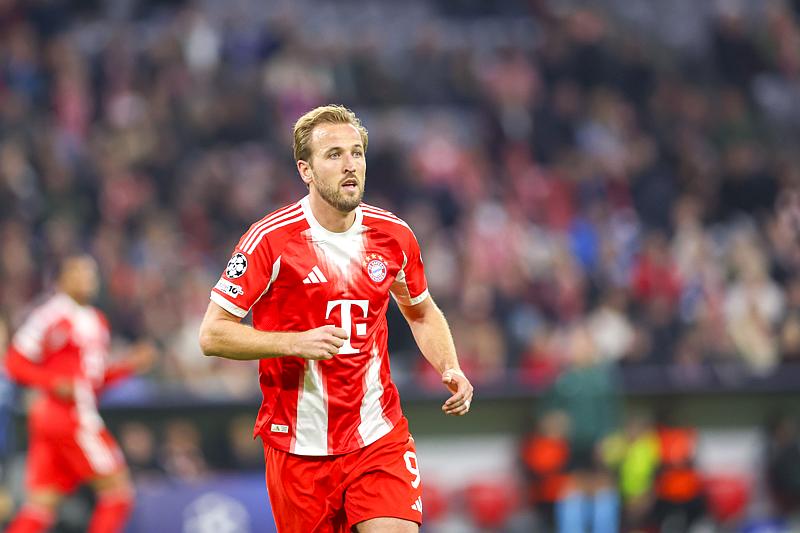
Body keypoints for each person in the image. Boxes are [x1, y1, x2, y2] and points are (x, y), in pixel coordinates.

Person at [198, 104, 473, 533]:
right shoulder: (270, 240)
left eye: (356, 153)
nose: (350, 165)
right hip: (298, 447)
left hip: (377, 435)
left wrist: (449, 365)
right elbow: (212, 334)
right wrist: (293, 342)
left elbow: (420, 310)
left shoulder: (394, 235)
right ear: (305, 170)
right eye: (334, 155)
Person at [3, 255, 155, 533]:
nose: (86, 279)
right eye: (78, 272)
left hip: (59, 417)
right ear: (61, 279)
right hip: (69, 415)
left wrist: (129, 365)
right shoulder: (50, 315)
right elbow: (14, 361)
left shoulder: (97, 320)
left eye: (90, 273)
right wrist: (52, 382)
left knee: (41, 506)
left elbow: (91, 382)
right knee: (118, 493)